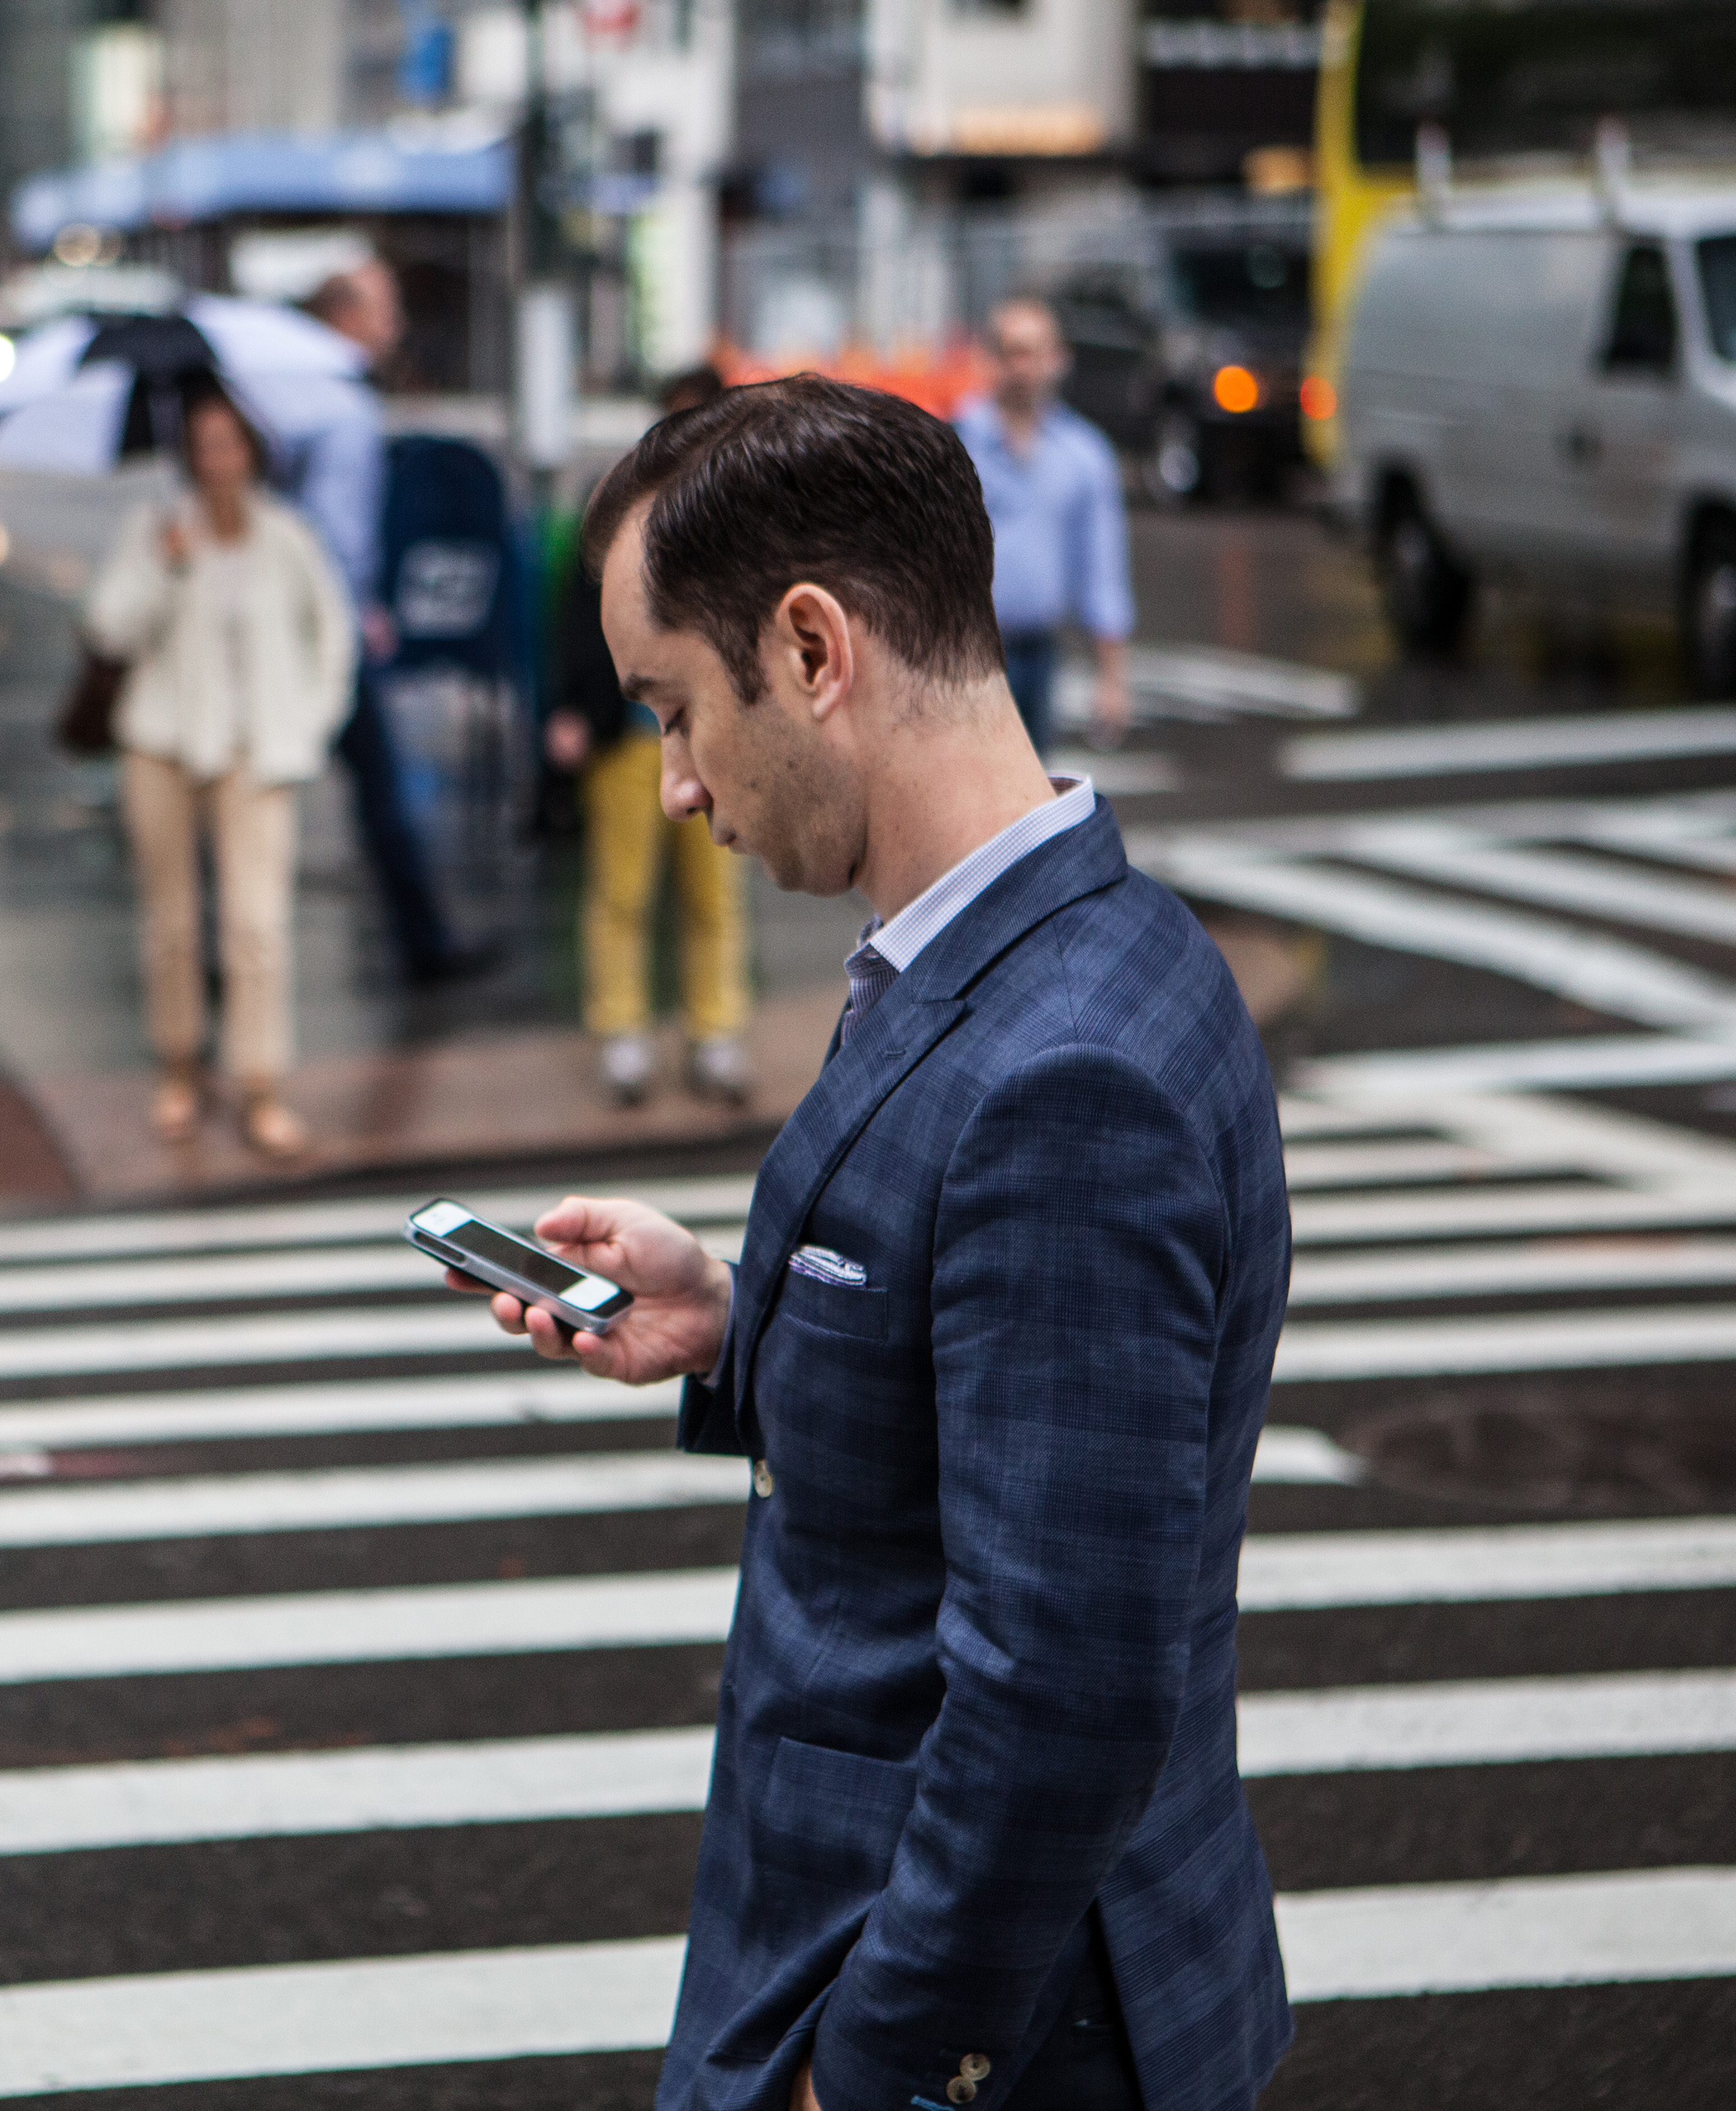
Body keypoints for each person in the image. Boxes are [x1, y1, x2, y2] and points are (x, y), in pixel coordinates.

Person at [453, 377, 1291, 2111]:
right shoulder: (1073, 945)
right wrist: (740, 1320)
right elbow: (1005, 1391)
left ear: (814, 649)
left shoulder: (1065, 1072)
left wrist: (879, 2057)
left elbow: (1061, 1686)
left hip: (978, 2029)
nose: (675, 785)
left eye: (676, 709)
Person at [84, 380, 354, 1161]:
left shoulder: (285, 536)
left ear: (251, 452)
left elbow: (329, 636)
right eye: (204, 446)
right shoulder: (157, 530)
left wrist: (309, 725)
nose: (218, 460)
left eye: (230, 444)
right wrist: (162, 568)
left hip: (254, 752)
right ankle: (179, 1066)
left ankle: (259, 1084)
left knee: (256, 926)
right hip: (162, 746)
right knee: (170, 922)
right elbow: (107, 628)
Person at [546, 364, 752, 1106]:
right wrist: (569, 706)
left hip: (717, 732)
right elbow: (575, 610)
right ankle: (624, 1033)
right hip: (627, 729)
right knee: (620, 890)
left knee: (714, 890)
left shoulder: (743, 519)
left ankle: (715, 1031)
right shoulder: (618, 508)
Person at [295, 258, 495, 986]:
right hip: (323, 628)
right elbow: (329, 528)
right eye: (384, 309)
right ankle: (425, 943)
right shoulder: (331, 404)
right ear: (344, 317)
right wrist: (354, 608)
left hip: (320, 620)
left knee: (353, 784)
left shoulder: (314, 397)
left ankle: (424, 939)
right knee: (374, 785)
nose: (396, 326)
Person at [954, 298, 1133, 755]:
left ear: (1059, 359)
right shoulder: (955, 444)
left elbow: (1103, 571)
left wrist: (1112, 680)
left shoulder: (1084, 454)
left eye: (1034, 352)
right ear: (991, 358)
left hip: (1042, 651)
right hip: (966, 653)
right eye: (1011, 351)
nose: (1023, 367)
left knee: (1035, 788)